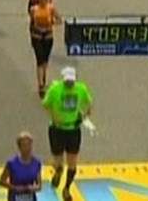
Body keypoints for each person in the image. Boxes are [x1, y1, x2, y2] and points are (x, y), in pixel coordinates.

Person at [42, 67, 93, 201]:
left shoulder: (81, 88)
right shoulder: (55, 89)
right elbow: (46, 104)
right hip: (57, 130)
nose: (69, 83)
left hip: (73, 130)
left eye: (72, 81)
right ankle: (58, 172)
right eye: (67, 81)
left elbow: (89, 102)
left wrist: (85, 114)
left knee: (72, 163)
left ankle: (66, 188)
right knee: (58, 161)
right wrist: (54, 116)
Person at [29, 0, 61, 97]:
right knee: (39, 59)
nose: (43, 1)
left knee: (45, 60)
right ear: (38, 0)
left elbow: (59, 20)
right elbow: (31, 23)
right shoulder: (34, 9)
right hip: (37, 36)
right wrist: (31, 35)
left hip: (48, 36)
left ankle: (43, 77)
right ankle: (41, 85)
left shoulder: (51, 8)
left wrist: (52, 22)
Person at [0, 131, 43, 201]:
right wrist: (15, 188)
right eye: (24, 145)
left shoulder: (37, 163)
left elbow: (39, 186)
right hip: (14, 197)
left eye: (29, 144)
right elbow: (2, 181)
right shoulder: (11, 163)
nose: (27, 148)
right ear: (19, 147)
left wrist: (31, 188)